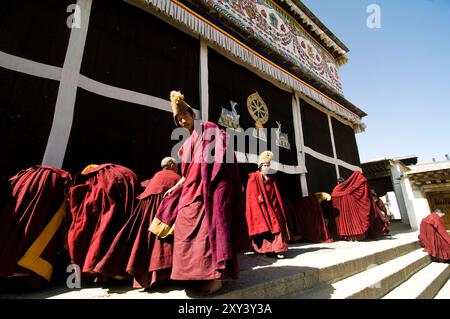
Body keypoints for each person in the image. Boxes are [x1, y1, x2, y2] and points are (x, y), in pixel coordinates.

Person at [156, 90, 247, 294]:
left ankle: (216, 278)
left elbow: (219, 157)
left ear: (192, 115)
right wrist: (175, 186)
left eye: (185, 116)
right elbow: (187, 174)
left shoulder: (208, 129)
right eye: (178, 119)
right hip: (190, 192)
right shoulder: (185, 145)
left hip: (208, 190)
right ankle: (195, 277)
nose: (182, 121)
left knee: (209, 232)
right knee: (184, 229)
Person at [93, 157, 181, 288]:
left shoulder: (155, 177)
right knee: (160, 243)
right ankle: (162, 276)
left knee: (142, 242)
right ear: (172, 164)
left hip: (144, 210)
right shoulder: (176, 178)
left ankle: (140, 277)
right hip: (163, 211)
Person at [0, 165, 71, 289]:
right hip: (45, 198)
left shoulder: (23, 175)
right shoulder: (58, 180)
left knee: (15, 225)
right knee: (35, 225)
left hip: (21, 198)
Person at [245, 151, 290, 258]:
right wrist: (259, 198)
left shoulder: (271, 180)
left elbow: (275, 195)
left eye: (268, 166)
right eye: (265, 165)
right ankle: (264, 250)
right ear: (260, 166)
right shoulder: (253, 178)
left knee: (276, 226)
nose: (267, 168)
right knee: (264, 229)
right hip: (260, 207)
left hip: (272, 208)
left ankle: (278, 250)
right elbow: (251, 195)